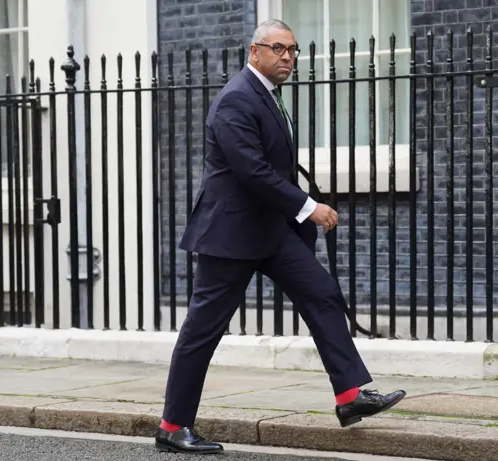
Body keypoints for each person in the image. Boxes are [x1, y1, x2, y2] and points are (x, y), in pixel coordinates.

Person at [155, 19, 406, 455]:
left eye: (292, 50)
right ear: (255, 52)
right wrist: (309, 207)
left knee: (322, 292)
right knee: (203, 330)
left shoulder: (266, 96)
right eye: (278, 49)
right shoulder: (236, 98)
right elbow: (252, 171)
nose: (287, 57)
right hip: (231, 235)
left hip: (269, 231)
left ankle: (349, 396)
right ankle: (172, 426)